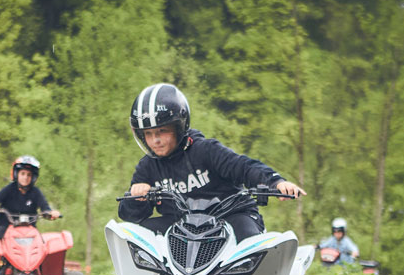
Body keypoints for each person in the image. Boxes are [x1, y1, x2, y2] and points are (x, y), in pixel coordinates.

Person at [118, 83, 305, 241]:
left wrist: (277, 182)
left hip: (231, 216)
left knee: (247, 236)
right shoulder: (147, 166)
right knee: (138, 235)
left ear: (179, 127)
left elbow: (244, 168)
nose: (155, 140)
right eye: (148, 134)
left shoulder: (206, 150)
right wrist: (137, 198)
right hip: (183, 226)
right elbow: (129, 215)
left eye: (162, 131)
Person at [0, 155, 60, 239]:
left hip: (30, 231)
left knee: (42, 246)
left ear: (33, 177)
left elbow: (45, 207)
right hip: (6, 228)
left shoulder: (36, 192)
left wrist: (51, 213)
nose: (25, 177)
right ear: (16, 174)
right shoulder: (9, 189)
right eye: (22, 174)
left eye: (29, 175)